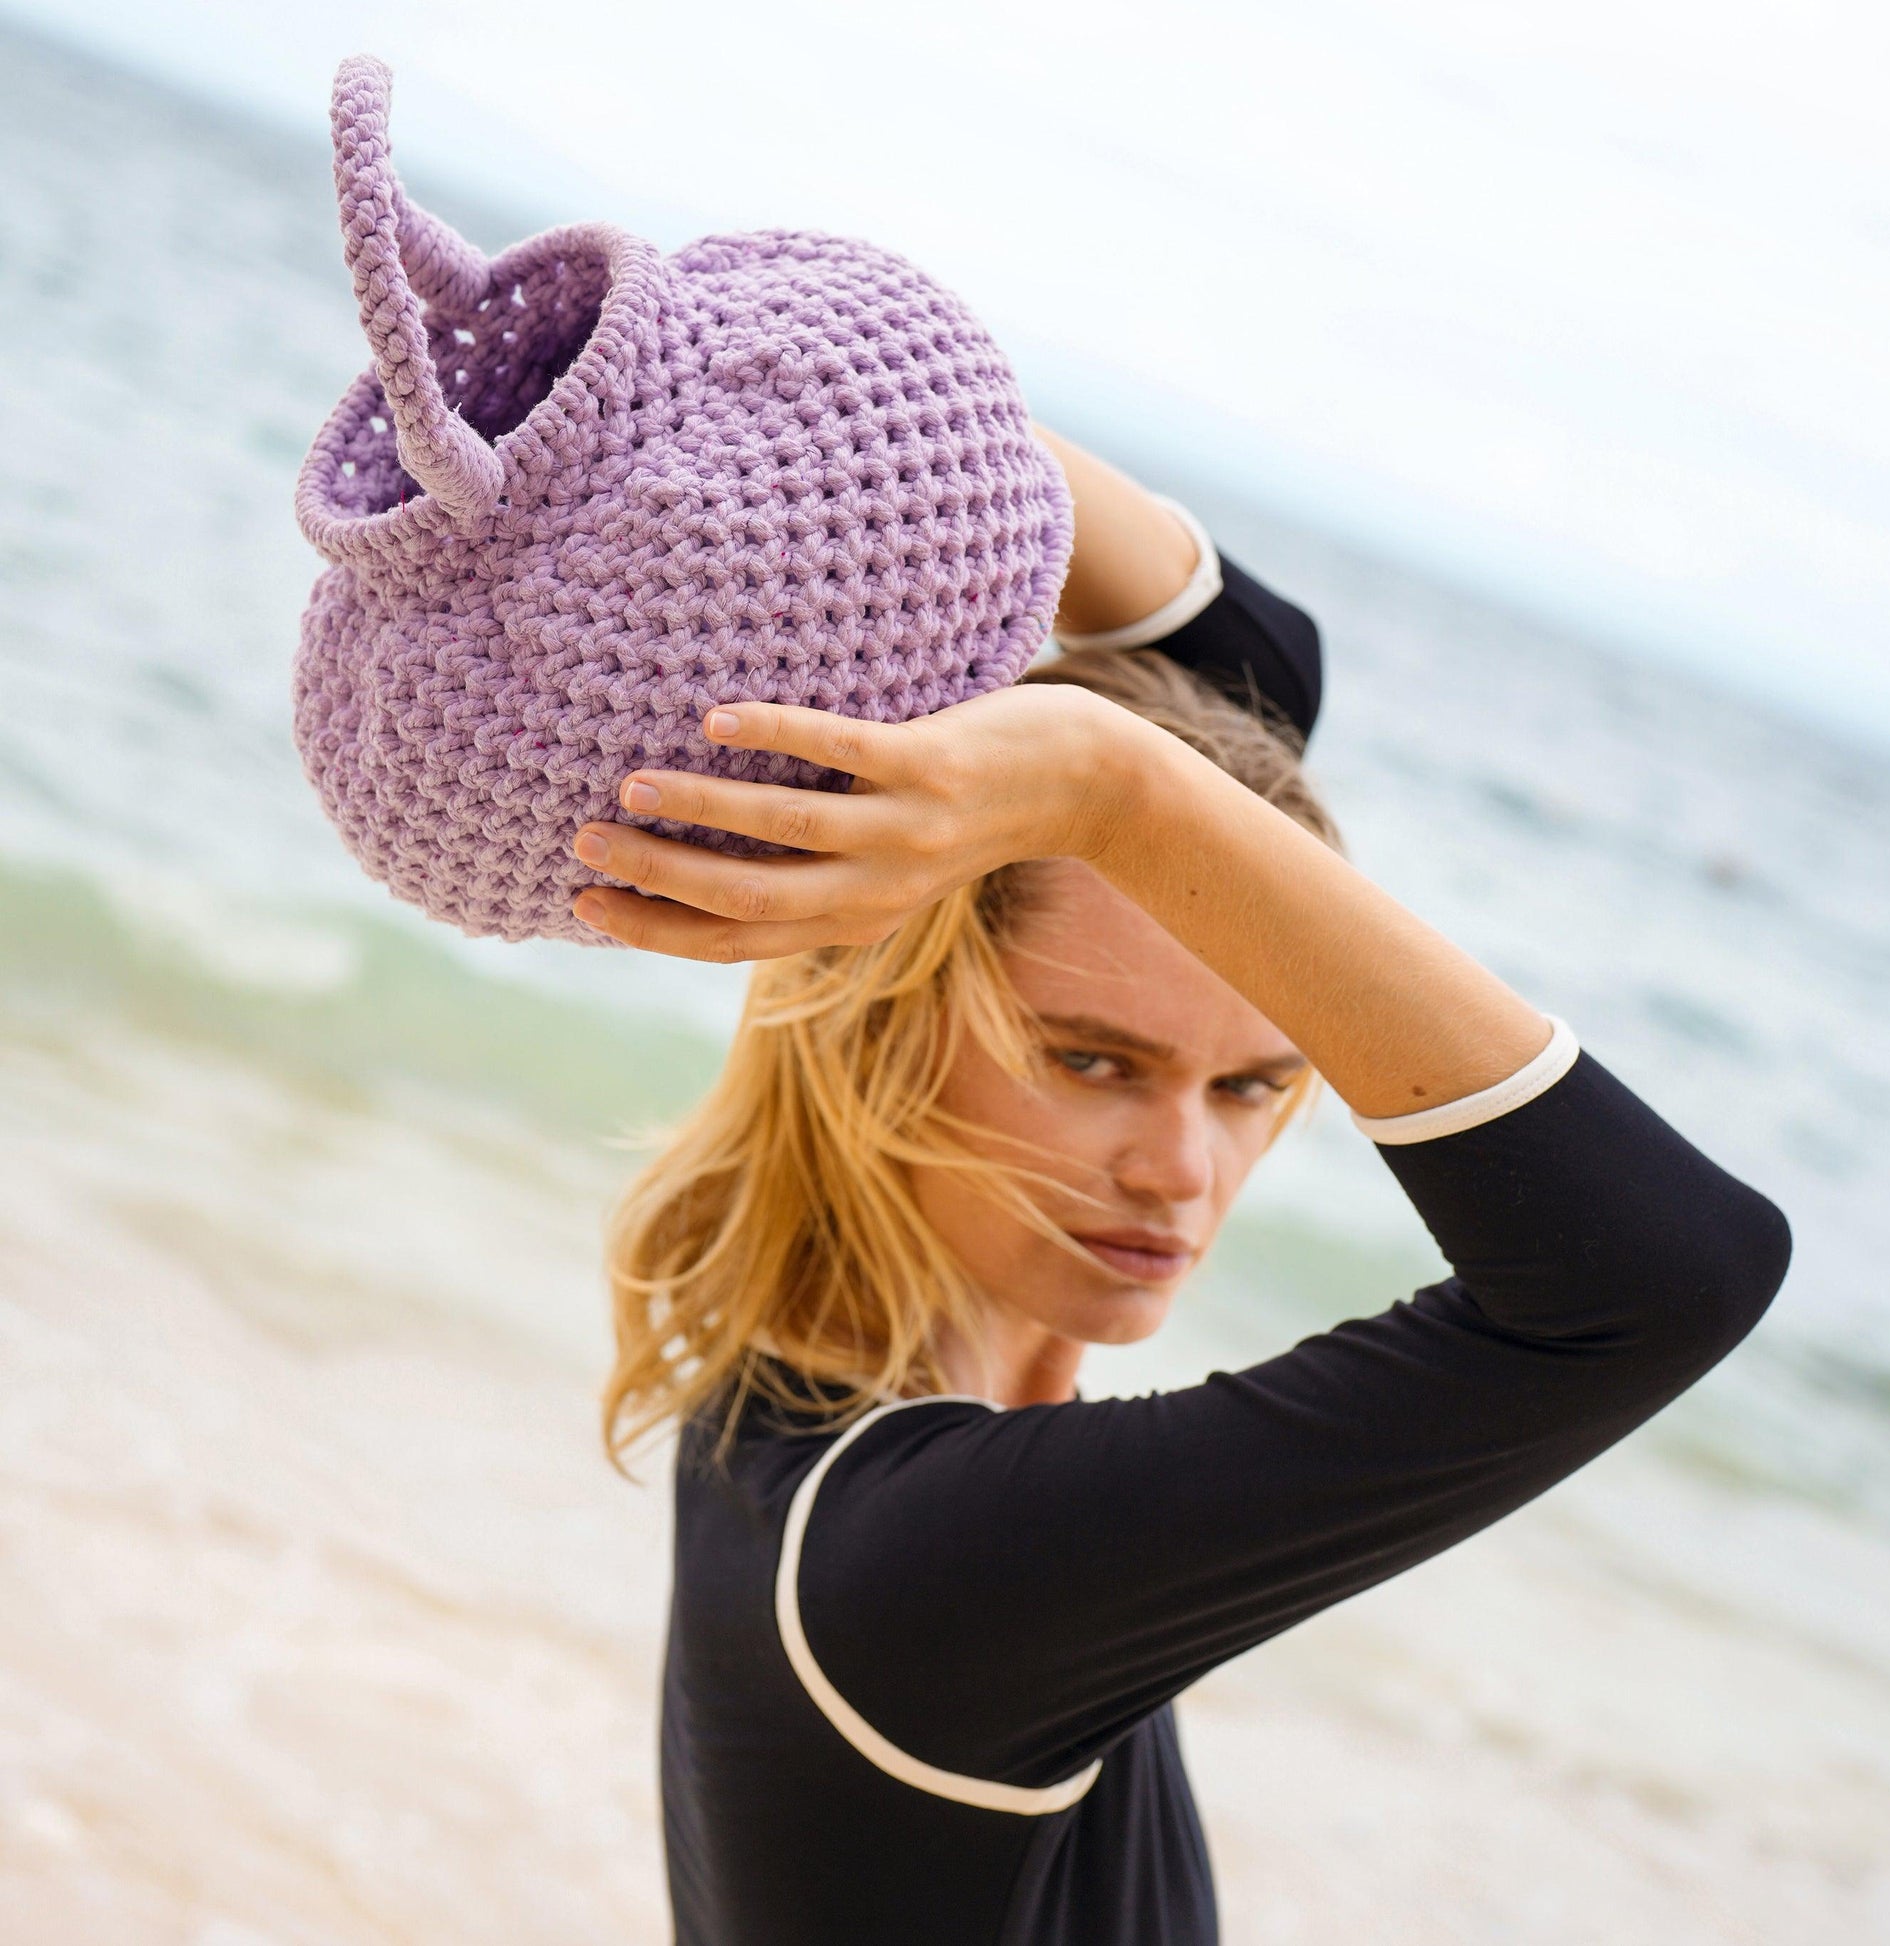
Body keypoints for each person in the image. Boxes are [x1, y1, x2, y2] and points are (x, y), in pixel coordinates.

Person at [566, 427, 1791, 1945]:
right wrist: (1100, 782)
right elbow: (1664, 1278)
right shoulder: (921, 1574)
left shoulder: (809, 1426)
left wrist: (856, 411)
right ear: (872, 1008)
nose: (1180, 1171)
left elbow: (1238, 675)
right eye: (1089, 1061)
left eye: (1257, 1083)